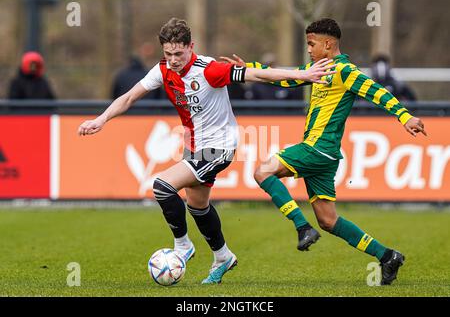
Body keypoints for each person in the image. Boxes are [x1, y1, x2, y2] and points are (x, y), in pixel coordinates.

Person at [78, 18, 335, 284]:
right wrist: (101, 119)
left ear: (191, 46)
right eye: (168, 54)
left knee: (162, 187)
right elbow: (129, 97)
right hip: (194, 147)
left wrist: (302, 75)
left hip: (220, 147)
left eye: (179, 53)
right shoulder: (162, 70)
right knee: (197, 205)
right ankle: (223, 256)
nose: (174, 59)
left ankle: (182, 245)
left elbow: (257, 74)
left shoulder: (209, 70)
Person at [222, 18, 427, 285]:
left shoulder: (346, 71)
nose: (308, 49)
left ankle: (301, 227)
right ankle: (387, 255)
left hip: (318, 148)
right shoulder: (318, 68)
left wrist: (404, 116)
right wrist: (249, 68)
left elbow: (376, 91)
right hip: (325, 155)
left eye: (311, 43)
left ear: (328, 43)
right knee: (328, 221)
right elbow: (287, 79)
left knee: (263, 171)